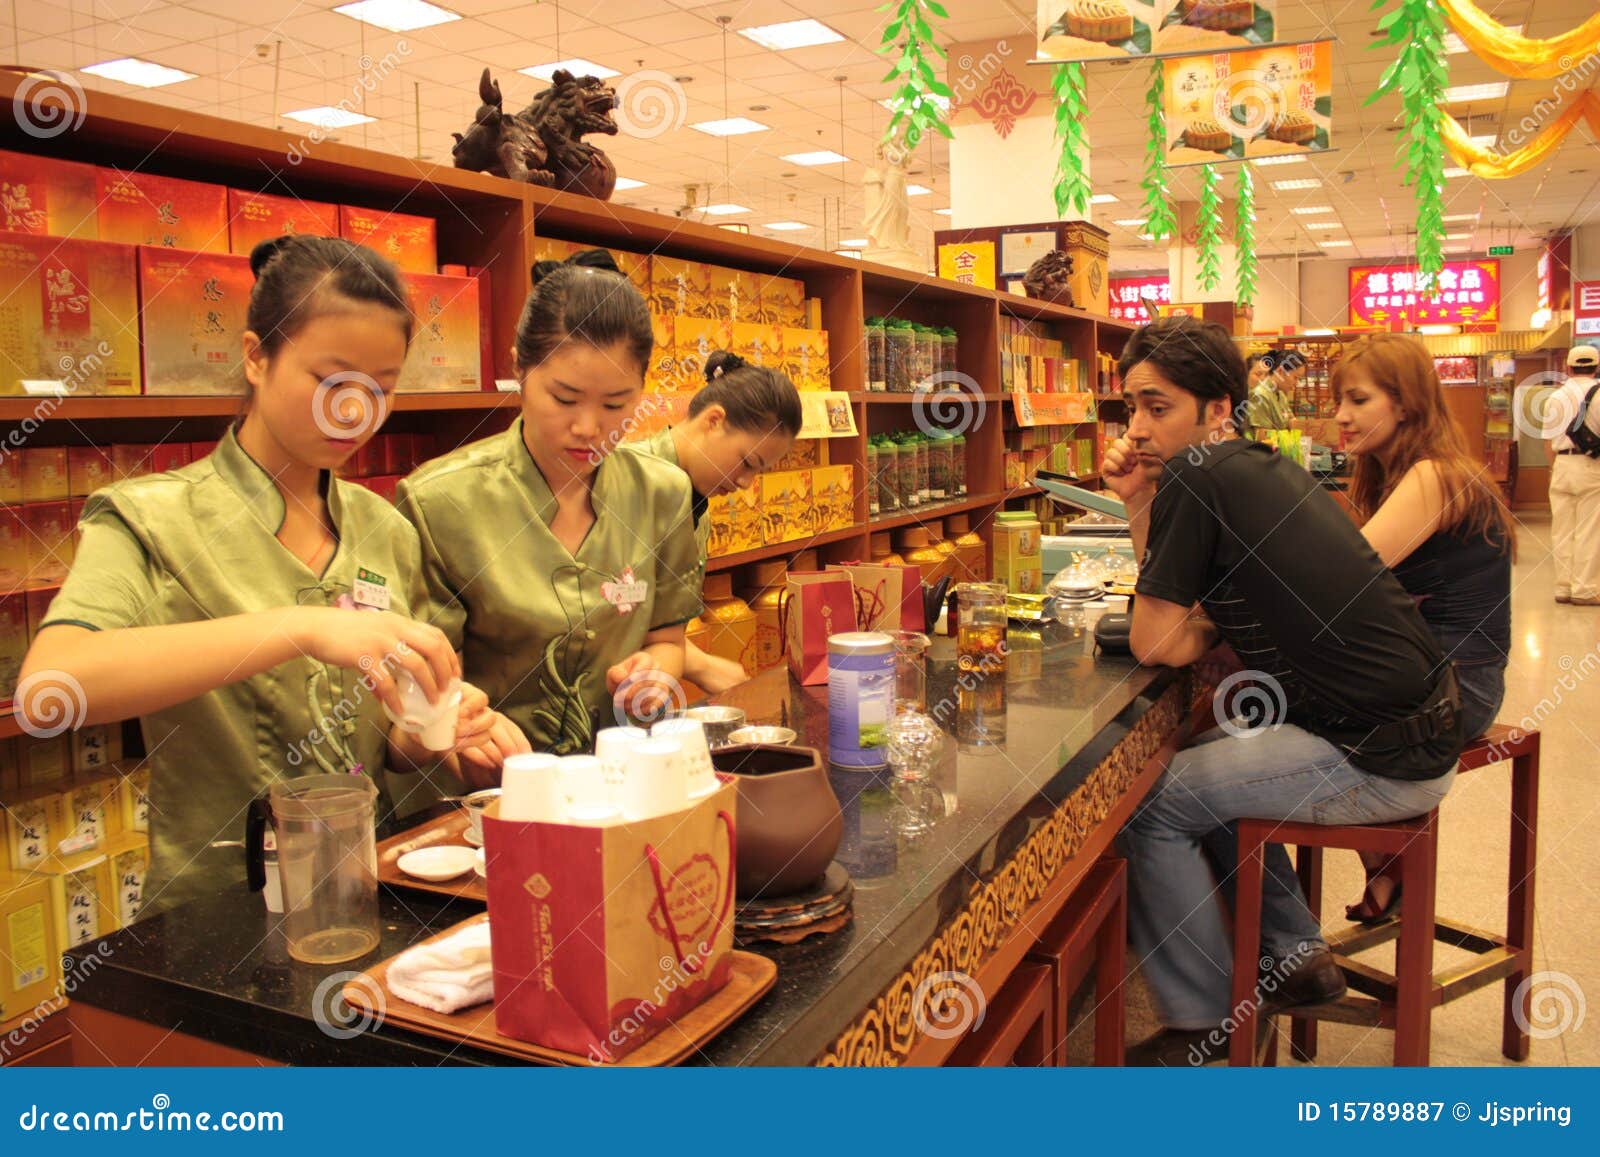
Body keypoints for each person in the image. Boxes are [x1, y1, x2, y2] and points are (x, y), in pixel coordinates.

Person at [18, 235, 527, 914]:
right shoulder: (152, 517)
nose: (355, 412)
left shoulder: (387, 532)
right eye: (331, 380)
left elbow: (386, 739)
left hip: (363, 895)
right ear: (257, 357)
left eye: (381, 388)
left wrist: (437, 733)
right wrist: (296, 627)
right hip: (211, 918)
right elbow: (49, 690)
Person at [1101, 316, 1465, 1065]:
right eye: (1130, 407)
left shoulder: (1199, 475)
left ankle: (1205, 1021)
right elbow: (1173, 611)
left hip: (1383, 753)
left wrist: (1192, 627)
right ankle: (1293, 953)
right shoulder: (1245, 467)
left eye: (1157, 407)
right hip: (1410, 723)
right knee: (1206, 756)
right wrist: (1140, 498)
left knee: (1152, 798)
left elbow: (1155, 640)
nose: (1137, 428)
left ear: (1215, 408)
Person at [398, 260, 704, 755]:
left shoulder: (663, 493)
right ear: (519, 368)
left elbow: (667, 641)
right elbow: (426, 687)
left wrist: (652, 674)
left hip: (619, 776)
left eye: (614, 405)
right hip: (489, 793)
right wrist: (461, 733)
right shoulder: (441, 501)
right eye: (564, 399)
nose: (588, 427)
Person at [1332, 333, 1512, 922]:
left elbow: (1347, 579)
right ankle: (1387, 866)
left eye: (1357, 400)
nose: (1341, 416)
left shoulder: (1434, 476)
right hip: (1436, 676)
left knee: (1277, 711)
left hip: (1458, 688)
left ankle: (1387, 863)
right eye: (1340, 400)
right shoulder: (1400, 475)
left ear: (1404, 403)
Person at [628, 348, 801, 692]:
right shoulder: (627, 479)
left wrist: (692, 660)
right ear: (713, 420)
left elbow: (655, 620)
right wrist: (698, 663)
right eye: (748, 462)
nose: (745, 483)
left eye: (759, 472)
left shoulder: (697, 501)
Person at [1546, 345, 1600, 605]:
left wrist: (1553, 468)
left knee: (1562, 529)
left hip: (1561, 465)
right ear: (1596, 367)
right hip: (1591, 467)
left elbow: (1548, 441)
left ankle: (1563, 587)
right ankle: (1585, 589)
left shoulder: (1556, 397)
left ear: (1567, 368)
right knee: (1590, 530)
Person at [1246, 349, 1293, 435]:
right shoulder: (1254, 396)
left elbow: (1291, 421)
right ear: (1246, 374)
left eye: (1267, 375)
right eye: (1258, 374)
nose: (1263, 379)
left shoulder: (1278, 394)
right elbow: (1261, 434)